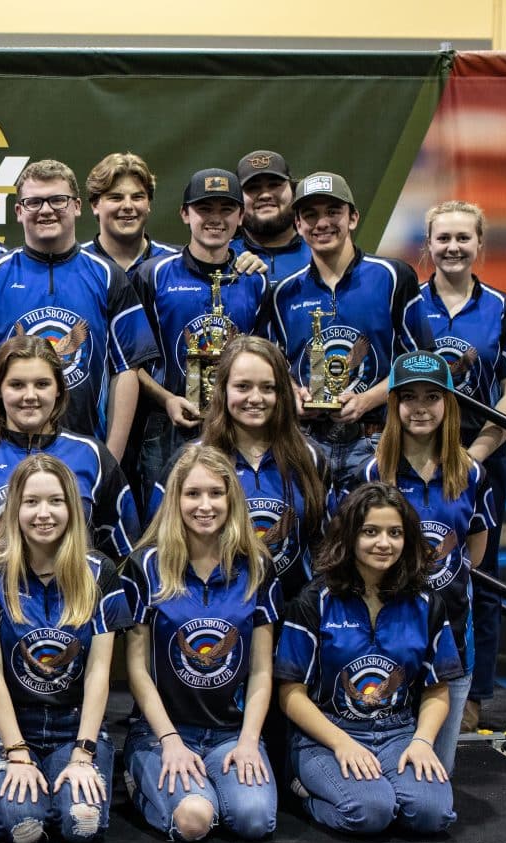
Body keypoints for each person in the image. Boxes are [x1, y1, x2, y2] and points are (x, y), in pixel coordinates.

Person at [0, 454, 132, 843]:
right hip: (4, 726)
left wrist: (84, 754)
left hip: (75, 727)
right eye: (31, 502)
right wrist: (17, 752)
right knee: (24, 824)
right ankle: (12, 784)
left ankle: (58, 783)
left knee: (81, 825)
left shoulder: (100, 572)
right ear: (14, 508)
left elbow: (99, 673)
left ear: (72, 507)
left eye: (56, 501)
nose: (44, 513)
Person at [417, 199, 506, 732]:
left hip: (480, 456)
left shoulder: (505, 308)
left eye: (462, 238)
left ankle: (474, 695)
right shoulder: (409, 305)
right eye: (442, 238)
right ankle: (418, 687)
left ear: (479, 245)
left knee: (478, 579)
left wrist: (475, 456)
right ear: (428, 245)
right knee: (417, 572)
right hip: (418, 455)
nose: (452, 247)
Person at [275, 482, 460, 835]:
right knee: (370, 811)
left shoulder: (426, 603)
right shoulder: (314, 601)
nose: (383, 543)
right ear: (349, 536)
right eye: (370, 532)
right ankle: (304, 793)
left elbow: (437, 689)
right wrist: (342, 743)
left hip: (398, 733)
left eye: (395, 533)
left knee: (431, 815)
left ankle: (387, 794)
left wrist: (422, 741)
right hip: (327, 735)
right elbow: (290, 693)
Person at [121, 446, 281, 842]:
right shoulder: (146, 565)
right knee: (194, 820)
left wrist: (247, 742)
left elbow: (261, 671)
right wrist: (170, 741)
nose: (204, 505)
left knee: (254, 820)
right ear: (175, 499)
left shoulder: (258, 566)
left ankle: (211, 790)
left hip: (230, 732)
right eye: (192, 494)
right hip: (164, 732)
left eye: (215, 493)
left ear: (232, 499)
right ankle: (144, 783)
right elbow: (137, 669)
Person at [0, 159, 155, 462]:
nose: (46, 210)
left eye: (57, 200)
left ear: (76, 206)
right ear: (18, 211)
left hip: (84, 448)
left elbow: (125, 370)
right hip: (5, 452)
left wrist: (109, 458)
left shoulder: (109, 275)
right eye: (34, 202)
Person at [357, 350, 493, 772]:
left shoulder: (470, 472)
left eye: (432, 397)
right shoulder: (372, 473)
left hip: (451, 632)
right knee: (390, 774)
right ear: (393, 404)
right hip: (390, 635)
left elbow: (475, 548)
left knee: (437, 773)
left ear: (448, 404)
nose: (420, 408)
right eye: (409, 396)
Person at [262, 172, 434, 492]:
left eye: (332, 212)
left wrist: (368, 399)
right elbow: (272, 365)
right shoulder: (282, 292)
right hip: (305, 439)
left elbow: (421, 361)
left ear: (353, 218)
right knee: (311, 540)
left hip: (375, 437)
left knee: (372, 538)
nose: (321, 223)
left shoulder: (393, 277)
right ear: (298, 225)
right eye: (310, 215)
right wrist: (292, 394)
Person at [0, 336, 139, 587]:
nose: (30, 396)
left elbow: (120, 549)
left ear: (58, 389)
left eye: (42, 384)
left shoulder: (91, 455)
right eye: (16, 385)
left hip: (66, 618)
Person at [132, 168, 271, 498]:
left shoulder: (257, 279)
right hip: (168, 424)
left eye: (226, 209)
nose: (215, 219)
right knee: (164, 522)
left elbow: (267, 361)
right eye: (204, 209)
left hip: (238, 426)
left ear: (241, 216)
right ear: (185, 214)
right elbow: (130, 361)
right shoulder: (153, 275)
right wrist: (167, 400)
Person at [162, 335, 331, 603]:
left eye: (268, 388)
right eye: (242, 386)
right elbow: (164, 545)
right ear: (223, 389)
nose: (255, 398)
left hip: (292, 615)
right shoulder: (190, 460)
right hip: (220, 613)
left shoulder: (311, 458)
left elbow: (325, 547)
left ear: (282, 394)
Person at [79, 152, 177, 274]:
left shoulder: (176, 264)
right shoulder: (75, 264)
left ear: (149, 204)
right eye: (116, 197)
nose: (128, 206)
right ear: (95, 205)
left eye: (137, 197)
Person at [230, 150, 311, 283]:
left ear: (293, 192)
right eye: (253, 187)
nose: (265, 195)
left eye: (274, 185)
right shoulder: (222, 258)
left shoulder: (321, 254)